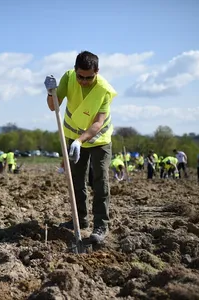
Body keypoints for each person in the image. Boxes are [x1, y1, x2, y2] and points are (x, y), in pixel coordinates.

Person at [44, 51, 117, 243]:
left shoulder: (104, 89)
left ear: (97, 72)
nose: (84, 81)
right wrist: (51, 92)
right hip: (73, 135)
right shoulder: (68, 78)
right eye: (80, 77)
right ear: (75, 70)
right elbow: (54, 106)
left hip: (99, 139)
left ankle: (101, 225)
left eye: (89, 77)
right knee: (77, 178)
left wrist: (80, 141)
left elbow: (98, 123)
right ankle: (80, 220)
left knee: (100, 178)